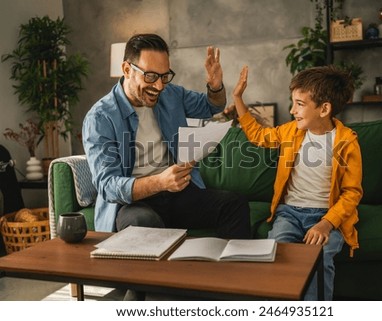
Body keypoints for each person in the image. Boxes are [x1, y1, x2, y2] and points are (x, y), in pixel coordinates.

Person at [83, 34, 251, 240]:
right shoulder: (100, 118)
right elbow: (107, 186)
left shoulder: (170, 94)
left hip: (177, 195)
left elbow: (212, 106)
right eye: (151, 76)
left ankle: (233, 270)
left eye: (164, 76)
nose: (159, 86)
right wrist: (160, 182)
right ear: (127, 70)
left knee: (234, 204)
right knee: (142, 223)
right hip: (134, 203)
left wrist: (215, 87)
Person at [230, 65, 363, 300]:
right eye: (293, 103)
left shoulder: (346, 142)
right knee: (275, 253)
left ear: (324, 109)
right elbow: (258, 135)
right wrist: (238, 98)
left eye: (300, 104)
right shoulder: (290, 132)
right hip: (289, 214)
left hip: (327, 216)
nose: (292, 110)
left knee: (319, 260)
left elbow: (352, 193)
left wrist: (326, 223)